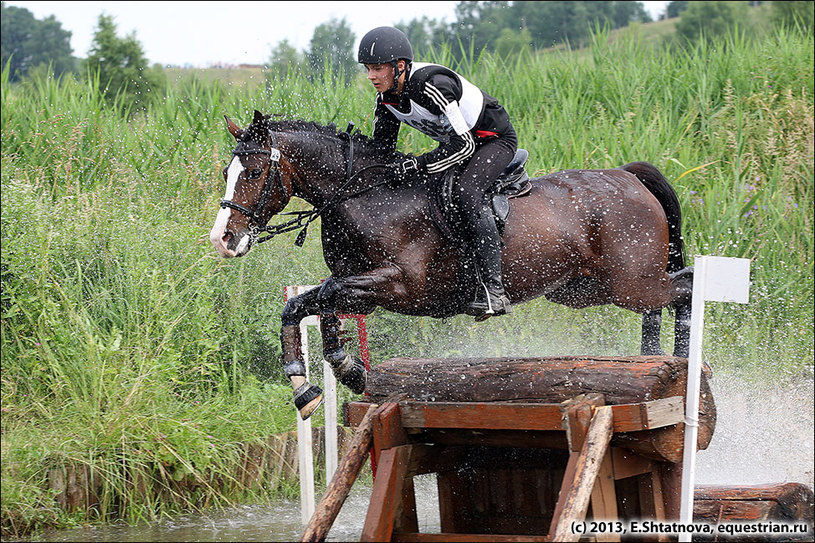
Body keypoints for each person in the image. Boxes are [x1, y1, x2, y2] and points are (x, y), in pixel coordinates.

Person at [358, 26, 517, 318]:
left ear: (400, 66)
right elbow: (382, 151)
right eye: (368, 69)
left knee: (468, 192)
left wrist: (418, 164)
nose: (371, 76)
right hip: (459, 144)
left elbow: (464, 144)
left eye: (378, 68)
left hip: (492, 141)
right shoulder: (386, 100)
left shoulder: (432, 85)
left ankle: (494, 291)